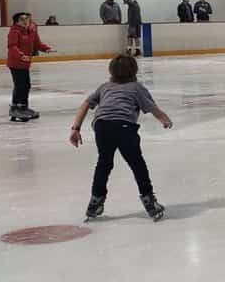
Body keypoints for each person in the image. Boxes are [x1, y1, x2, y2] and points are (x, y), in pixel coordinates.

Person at [69, 54, 172, 222]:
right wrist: (164, 119)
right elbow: (152, 107)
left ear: (111, 71)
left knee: (104, 163)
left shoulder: (104, 87)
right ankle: (149, 201)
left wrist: (76, 128)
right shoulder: (136, 88)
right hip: (124, 127)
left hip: (102, 127)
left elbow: (86, 104)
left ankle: (95, 201)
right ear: (134, 70)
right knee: (137, 164)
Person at [7, 12, 51, 122]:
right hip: (16, 63)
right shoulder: (14, 31)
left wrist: (45, 48)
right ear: (17, 21)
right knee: (20, 85)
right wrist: (21, 56)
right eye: (22, 19)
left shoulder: (32, 30)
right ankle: (15, 108)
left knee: (26, 85)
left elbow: (37, 43)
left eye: (27, 19)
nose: (25, 21)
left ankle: (23, 107)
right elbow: (12, 47)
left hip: (25, 63)